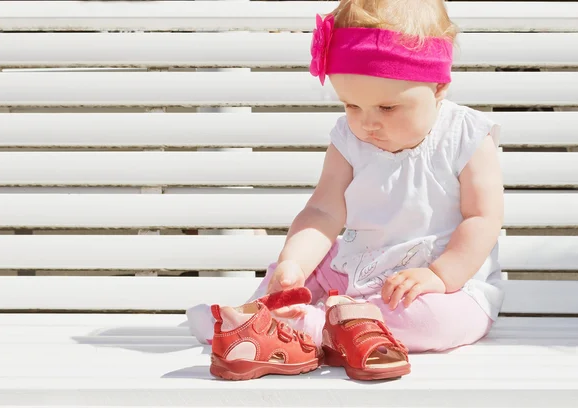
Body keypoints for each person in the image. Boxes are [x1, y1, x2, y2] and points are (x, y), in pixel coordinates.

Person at [188, 0, 504, 353]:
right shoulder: (349, 140)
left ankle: (309, 324)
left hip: (442, 280)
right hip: (359, 263)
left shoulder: (466, 136)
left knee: (438, 321)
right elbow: (323, 212)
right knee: (302, 267)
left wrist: (440, 275)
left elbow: (482, 218)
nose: (368, 123)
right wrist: (294, 262)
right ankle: (253, 315)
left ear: (438, 87)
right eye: (352, 105)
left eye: (387, 107)